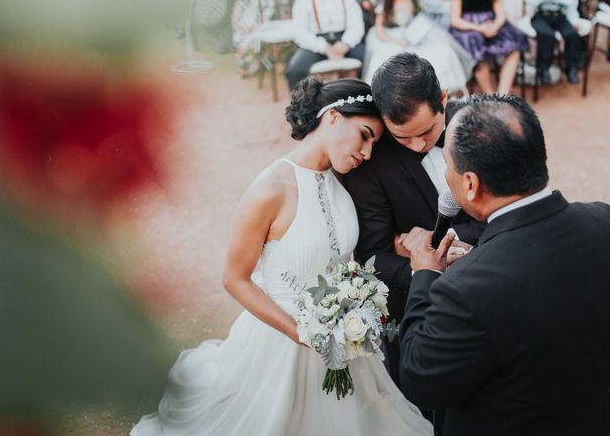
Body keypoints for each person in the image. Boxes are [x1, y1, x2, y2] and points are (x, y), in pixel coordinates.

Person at [130, 78, 433, 435]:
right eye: (365, 135)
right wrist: (304, 334)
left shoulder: (343, 183)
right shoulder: (270, 189)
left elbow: (343, 252)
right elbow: (234, 279)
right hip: (280, 346)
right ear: (333, 117)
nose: (367, 153)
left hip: (345, 345)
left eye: (374, 144)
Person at [398, 93, 610, 435]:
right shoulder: (603, 220)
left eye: (450, 167)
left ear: (470, 184)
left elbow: (422, 380)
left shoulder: (464, 290)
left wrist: (424, 275)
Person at [344, 53, 484, 388]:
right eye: (403, 137)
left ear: (444, 99)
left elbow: (507, 209)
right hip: (423, 306)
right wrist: (424, 267)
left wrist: (441, 238)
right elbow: (373, 257)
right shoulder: (371, 166)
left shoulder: (479, 125)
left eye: (427, 131)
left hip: (494, 281)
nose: (418, 144)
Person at [363, 0, 475, 93]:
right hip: (393, 37)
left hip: (412, 35)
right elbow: (380, 32)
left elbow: (418, 22)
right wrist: (398, 41)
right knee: (386, 54)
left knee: (442, 50)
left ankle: (436, 90)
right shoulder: (387, 3)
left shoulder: (415, 1)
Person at [449, 0, 529, 94]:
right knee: (477, 52)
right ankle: (490, 96)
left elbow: (500, 13)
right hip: (469, 27)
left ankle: (502, 94)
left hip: (491, 23)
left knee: (514, 49)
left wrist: (495, 25)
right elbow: (455, 20)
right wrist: (479, 28)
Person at [286, 0, 365, 90]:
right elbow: (300, 32)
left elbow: (356, 26)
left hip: (344, 39)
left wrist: (346, 44)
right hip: (316, 43)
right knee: (295, 70)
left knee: (367, 59)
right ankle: (302, 108)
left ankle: (364, 101)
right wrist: (325, 48)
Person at [526, 0, 583, 84]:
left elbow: (572, 5)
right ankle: (544, 68)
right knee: (547, 35)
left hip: (560, 17)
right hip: (541, 16)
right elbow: (531, 1)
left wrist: (574, 21)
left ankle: (571, 67)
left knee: (572, 34)